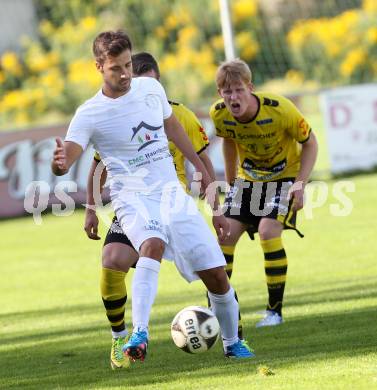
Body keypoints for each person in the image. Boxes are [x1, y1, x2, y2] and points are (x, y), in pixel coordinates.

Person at [52, 31, 254, 364]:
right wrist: (58, 165)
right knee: (151, 244)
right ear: (99, 67)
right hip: (132, 198)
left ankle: (232, 343)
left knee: (217, 274)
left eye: (128, 64)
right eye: (116, 67)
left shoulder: (150, 88)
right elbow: (69, 158)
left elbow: (172, 127)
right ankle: (139, 333)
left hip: (172, 194)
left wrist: (199, 166)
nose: (125, 73)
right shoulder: (89, 113)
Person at [210, 58, 318, 328]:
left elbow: (311, 144)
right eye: (227, 92)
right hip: (248, 182)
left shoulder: (280, 109)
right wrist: (232, 183)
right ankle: (218, 311)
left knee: (269, 232)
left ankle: (274, 312)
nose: (233, 97)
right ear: (220, 93)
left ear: (251, 87)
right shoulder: (219, 114)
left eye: (238, 90)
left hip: (285, 178)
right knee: (224, 235)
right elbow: (229, 144)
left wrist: (300, 184)